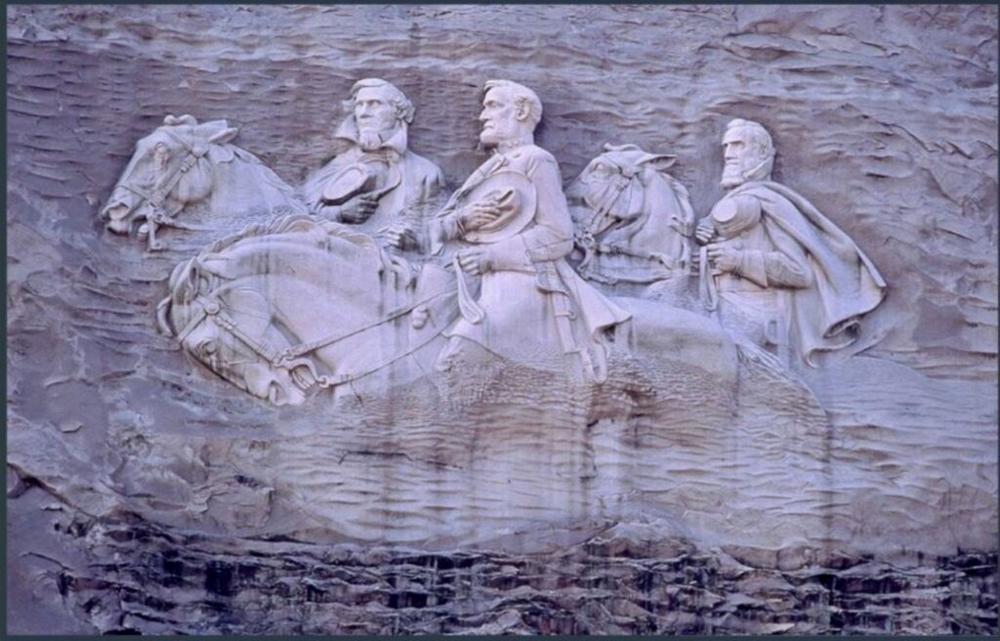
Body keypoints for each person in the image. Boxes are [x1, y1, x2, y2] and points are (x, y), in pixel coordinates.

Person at [404, 80, 631, 381]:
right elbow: (437, 228)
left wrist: (492, 257)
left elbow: (558, 235)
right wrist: (463, 220)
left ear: (522, 111)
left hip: (520, 279)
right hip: (465, 278)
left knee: (456, 361)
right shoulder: (487, 169)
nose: (483, 116)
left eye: (493, 106)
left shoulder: (536, 160)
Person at [696, 118, 886, 366]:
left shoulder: (772, 203)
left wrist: (739, 261)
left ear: (762, 153)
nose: (729, 155)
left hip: (755, 318)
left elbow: (799, 273)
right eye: (726, 147)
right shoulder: (735, 203)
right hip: (719, 308)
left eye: (738, 145)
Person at [302, 78, 444, 233]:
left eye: (374, 104)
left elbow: (435, 230)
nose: (363, 113)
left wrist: (411, 240)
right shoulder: (338, 164)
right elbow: (300, 211)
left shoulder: (425, 172)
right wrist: (340, 212)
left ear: (399, 111)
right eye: (359, 105)